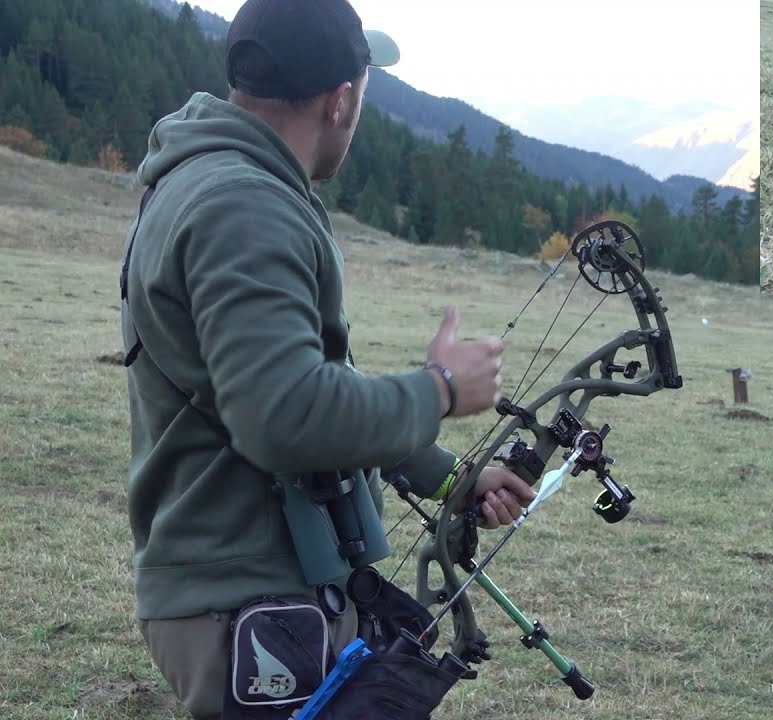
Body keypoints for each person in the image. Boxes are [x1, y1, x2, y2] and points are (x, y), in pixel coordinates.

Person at [117, 1, 537, 717]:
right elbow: (286, 416)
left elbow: (302, 389)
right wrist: (439, 388)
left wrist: (456, 480)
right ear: (342, 102)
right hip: (250, 600)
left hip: (255, 594)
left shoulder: (217, 181)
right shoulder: (244, 207)